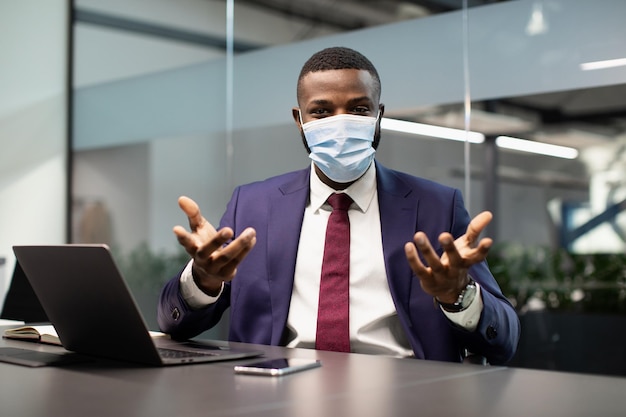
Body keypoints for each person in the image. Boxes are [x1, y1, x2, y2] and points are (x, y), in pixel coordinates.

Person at [158, 46, 520, 365]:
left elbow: (504, 339)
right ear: (299, 121)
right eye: (322, 112)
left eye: (359, 109)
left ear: (379, 116)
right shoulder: (251, 205)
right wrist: (203, 280)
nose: (341, 123)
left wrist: (459, 295)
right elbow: (176, 324)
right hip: (273, 395)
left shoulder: (437, 206)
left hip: (407, 397)